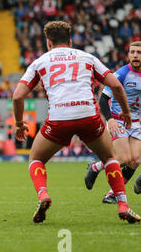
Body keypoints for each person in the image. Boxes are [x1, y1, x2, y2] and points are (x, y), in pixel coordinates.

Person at [12, 21, 140, 224]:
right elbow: (115, 85)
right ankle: (123, 205)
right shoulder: (87, 57)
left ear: (48, 43)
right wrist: (125, 112)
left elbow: (18, 97)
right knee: (109, 158)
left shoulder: (40, 62)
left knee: (36, 158)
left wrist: (19, 124)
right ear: (70, 41)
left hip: (59, 118)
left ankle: (43, 194)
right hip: (88, 115)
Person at [84, 41, 141, 203]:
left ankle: (111, 194)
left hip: (136, 123)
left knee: (135, 161)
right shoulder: (121, 74)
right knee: (123, 159)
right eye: (133, 52)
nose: (136, 55)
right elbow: (103, 100)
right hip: (118, 121)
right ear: (128, 55)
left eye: (139, 52)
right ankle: (95, 167)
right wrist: (110, 120)